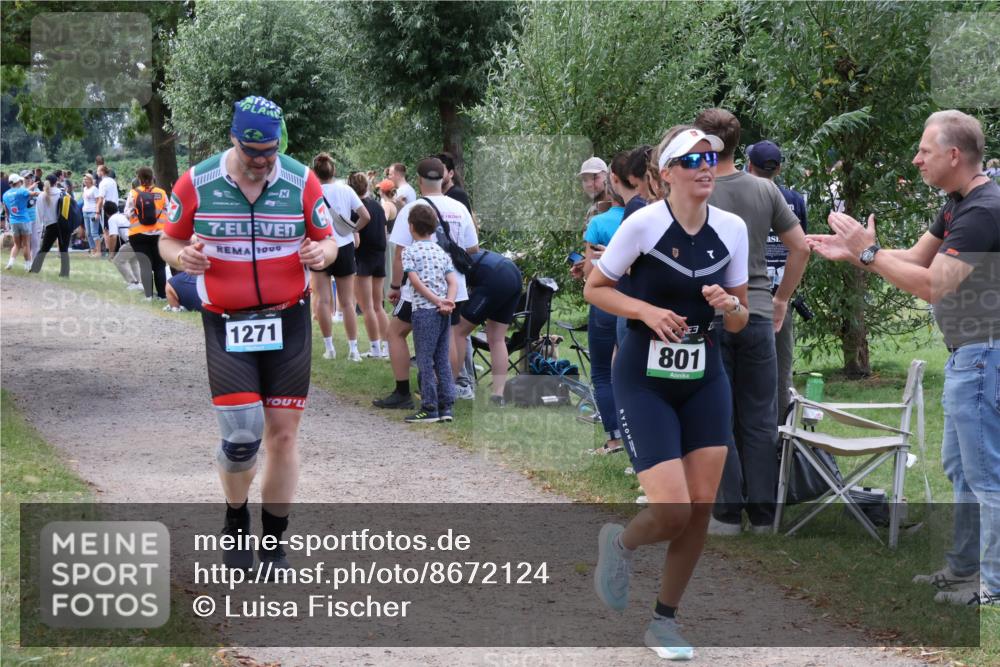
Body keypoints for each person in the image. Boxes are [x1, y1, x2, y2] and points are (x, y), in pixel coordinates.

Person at [807, 110, 999, 608]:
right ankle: (962, 569)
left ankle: (992, 587)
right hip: (968, 358)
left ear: (954, 156)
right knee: (962, 469)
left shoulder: (984, 209)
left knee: (985, 475)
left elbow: (933, 286)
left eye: (924, 152)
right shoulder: (960, 203)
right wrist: (851, 252)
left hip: (984, 358)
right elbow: (916, 258)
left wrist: (868, 253)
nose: (916, 160)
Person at [586, 125, 749, 659]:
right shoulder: (643, 225)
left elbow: (741, 320)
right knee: (673, 509)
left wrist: (730, 307)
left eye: (714, 157)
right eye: (693, 159)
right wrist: (647, 311)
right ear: (667, 173)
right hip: (644, 378)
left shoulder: (733, 229)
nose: (707, 166)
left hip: (704, 377)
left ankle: (664, 621)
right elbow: (595, 287)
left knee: (700, 508)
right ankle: (622, 542)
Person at [158, 95, 337, 576]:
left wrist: (324, 256)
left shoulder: (302, 179)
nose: (261, 161)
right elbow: (166, 239)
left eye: (270, 151)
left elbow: (330, 241)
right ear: (233, 139)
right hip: (226, 320)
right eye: (251, 151)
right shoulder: (197, 181)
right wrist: (181, 259)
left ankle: (274, 543)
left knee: (281, 437)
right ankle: (236, 517)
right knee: (240, 438)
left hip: (289, 318)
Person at [693, 108, 810, 535]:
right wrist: (781, 300)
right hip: (759, 312)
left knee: (715, 416)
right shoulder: (765, 190)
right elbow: (801, 248)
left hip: (710, 314)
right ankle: (763, 516)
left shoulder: (694, 189)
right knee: (760, 417)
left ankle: (726, 514)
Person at [374, 157, 479, 410]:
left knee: (395, 332)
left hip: (420, 289)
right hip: (454, 286)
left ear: (420, 181)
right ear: (444, 178)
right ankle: (446, 393)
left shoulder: (414, 208)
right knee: (452, 337)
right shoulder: (459, 207)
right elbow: (472, 247)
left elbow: (400, 253)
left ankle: (402, 393)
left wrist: (396, 286)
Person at [745, 140, 808, 420]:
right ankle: (783, 429)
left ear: (748, 166)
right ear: (779, 168)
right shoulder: (794, 200)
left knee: (746, 365)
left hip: (748, 293)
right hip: (782, 291)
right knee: (783, 369)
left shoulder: (743, 196)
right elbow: (800, 243)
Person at [581, 161, 627, 454]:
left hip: (607, 301)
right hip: (637, 302)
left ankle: (614, 438)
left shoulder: (598, 223)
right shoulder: (649, 216)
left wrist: (585, 267)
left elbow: (589, 271)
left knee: (601, 372)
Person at [400, 205, 458, 423]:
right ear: (434, 229)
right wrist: (448, 301)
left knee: (425, 359)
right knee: (442, 358)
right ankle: (447, 406)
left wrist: (435, 301)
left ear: (411, 227)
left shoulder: (410, 251)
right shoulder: (440, 251)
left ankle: (429, 407)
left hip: (424, 311)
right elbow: (452, 281)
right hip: (444, 312)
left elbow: (414, 281)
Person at [310, 153, 370, 361]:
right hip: (344, 247)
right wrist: (353, 230)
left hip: (320, 246)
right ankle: (353, 350)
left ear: (315, 172)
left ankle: (330, 348)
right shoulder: (346, 190)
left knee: (323, 300)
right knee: (347, 302)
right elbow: (366, 216)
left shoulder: (312, 191)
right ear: (334, 170)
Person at [451, 249, 522, 404]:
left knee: (458, 331)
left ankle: (449, 388)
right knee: (497, 338)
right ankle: (498, 396)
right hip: (513, 274)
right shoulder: (466, 250)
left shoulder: (446, 258)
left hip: (495, 278)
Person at [348, 172, 391, 359]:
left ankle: (375, 348)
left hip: (363, 258)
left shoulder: (355, 209)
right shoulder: (378, 207)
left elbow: (356, 240)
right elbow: (384, 233)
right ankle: (388, 346)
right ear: (367, 186)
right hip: (379, 257)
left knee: (367, 307)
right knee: (378, 305)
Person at [128, 167, 169, 300]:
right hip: (159, 234)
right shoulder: (161, 193)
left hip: (138, 234)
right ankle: (162, 296)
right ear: (152, 178)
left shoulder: (133, 193)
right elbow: (169, 212)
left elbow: (127, 212)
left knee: (145, 265)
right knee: (160, 266)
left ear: (138, 179)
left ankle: (148, 296)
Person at [29, 175, 71, 277]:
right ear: (56, 182)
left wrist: (39, 229)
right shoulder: (62, 193)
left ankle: (35, 269)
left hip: (50, 225)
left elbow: (39, 213)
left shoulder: (42, 195)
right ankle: (64, 273)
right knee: (64, 249)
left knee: (44, 249)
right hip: (64, 225)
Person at [106, 201, 142, 290]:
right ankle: (139, 283)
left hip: (131, 241)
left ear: (106, 212)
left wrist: (111, 253)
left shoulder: (112, 219)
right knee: (133, 261)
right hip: (139, 239)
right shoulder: (121, 216)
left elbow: (113, 236)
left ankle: (133, 282)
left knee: (118, 261)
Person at [2, 173, 34, 270]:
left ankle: (10, 263)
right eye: (20, 181)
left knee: (17, 244)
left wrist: (8, 219)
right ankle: (28, 266)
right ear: (18, 182)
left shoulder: (5, 194)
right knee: (26, 244)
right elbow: (32, 194)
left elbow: (6, 210)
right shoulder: (21, 190)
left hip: (13, 221)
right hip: (24, 220)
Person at [96, 164, 119, 256]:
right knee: (114, 230)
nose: (97, 172)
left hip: (107, 208)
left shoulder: (103, 183)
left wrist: (97, 211)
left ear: (101, 172)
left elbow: (100, 199)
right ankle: (115, 250)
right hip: (115, 207)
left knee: (106, 231)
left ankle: (109, 251)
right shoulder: (112, 181)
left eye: (98, 171)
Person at [81, 173, 102, 255]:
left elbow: (98, 202)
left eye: (86, 179)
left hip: (93, 212)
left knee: (94, 233)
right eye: (84, 179)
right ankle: (93, 250)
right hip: (85, 212)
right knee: (88, 233)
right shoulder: (85, 188)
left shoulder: (94, 189)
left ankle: (99, 252)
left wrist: (97, 213)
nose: (84, 180)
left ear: (90, 180)